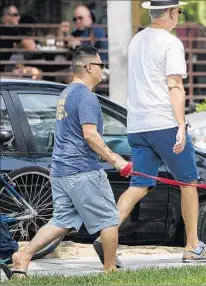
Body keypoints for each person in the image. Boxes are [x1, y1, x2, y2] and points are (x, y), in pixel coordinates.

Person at [93, 0, 206, 264]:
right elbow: (174, 86)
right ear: (172, 12)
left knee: (140, 184)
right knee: (189, 182)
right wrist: (181, 125)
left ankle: (106, 234)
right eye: (179, 12)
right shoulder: (171, 43)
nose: (179, 16)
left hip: (138, 125)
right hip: (164, 123)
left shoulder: (136, 40)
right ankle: (192, 246)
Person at [8, 46, 128, 278]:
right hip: (82, 170)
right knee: (109, 220)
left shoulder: (66, 94)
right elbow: (90, 134)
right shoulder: (86, 96)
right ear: (89, 67)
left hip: (61, 170)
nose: (103, 70)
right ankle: (111, 271)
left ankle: (23, 256)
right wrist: (115, 159)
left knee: (61, 221)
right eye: (101, 65)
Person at [0, 3, 37, 72]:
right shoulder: (9, 29)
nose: (19, 18)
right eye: (15, 15)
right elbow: (31, 47)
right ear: (6, 16)